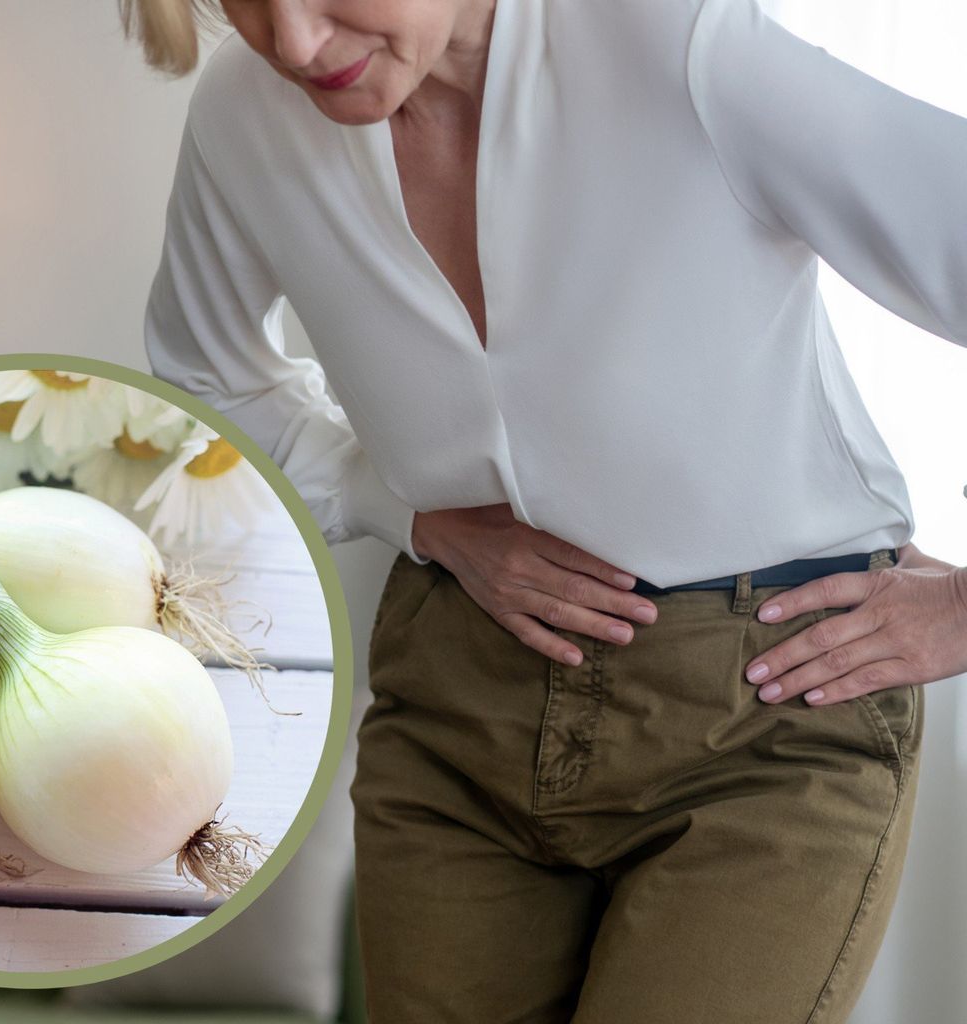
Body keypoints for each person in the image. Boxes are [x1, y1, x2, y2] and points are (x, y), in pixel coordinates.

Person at [126, 0, 967, 1019]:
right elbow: (206, 380)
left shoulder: (678, 44)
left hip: (764, 715)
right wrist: (398, 507)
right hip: (453, 709)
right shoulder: (241, 115)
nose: (293, 42)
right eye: (244, 0)